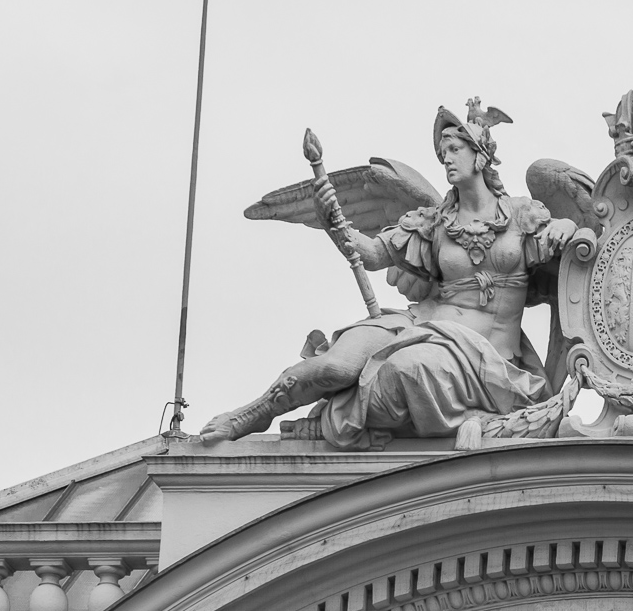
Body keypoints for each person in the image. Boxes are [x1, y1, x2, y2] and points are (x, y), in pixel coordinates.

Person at [200, 106, 576, 449]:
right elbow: (374, 254)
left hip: (483, 355)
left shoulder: (524, 216)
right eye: (442, 152)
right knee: (336, 366)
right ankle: (253, 412)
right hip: (422, 322)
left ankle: (345, 417)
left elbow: (587, 254)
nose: (445, 158)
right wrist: (337, 225)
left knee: (404, 369)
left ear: (480, 154)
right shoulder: (435, 222)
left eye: (454, 149)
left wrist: (573, 228)